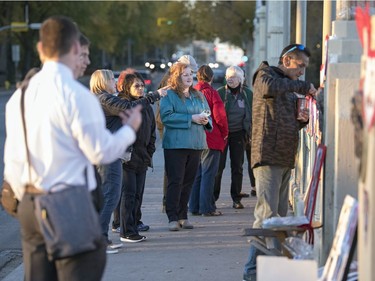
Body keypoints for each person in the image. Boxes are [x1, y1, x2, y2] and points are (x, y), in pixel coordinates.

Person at [3, 16, 142, 281]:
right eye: (84, 54)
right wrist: (128, 130)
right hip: (68, 206)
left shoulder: (20, 96)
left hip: (30, 206)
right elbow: (101, 152)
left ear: (41, 49)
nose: (86, 61)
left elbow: (13, 161)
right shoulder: (78, 96)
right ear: (76, 49)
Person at [242, 43, 318, 281]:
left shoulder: (283, 86)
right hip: (268, 156)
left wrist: (301, 121)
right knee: (267, 215)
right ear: (286, 61)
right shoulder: (266, 75)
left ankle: (272, 270)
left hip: (284, 157)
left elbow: (283, 121)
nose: (302, 72)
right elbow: (268, 87)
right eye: (300, 65)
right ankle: (252, 272)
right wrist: (304, 87)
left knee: (280, 220)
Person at [160, 62, 212, 231]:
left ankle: (183, 215)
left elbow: (207, 114)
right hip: (176, 145)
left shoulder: (198, 95)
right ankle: (172, 217)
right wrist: (191, 118)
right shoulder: (168, 95)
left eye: (191, 74)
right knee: (176, 181)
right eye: (186, 75)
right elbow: (167, 117)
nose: (190, 77)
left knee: (188, 182)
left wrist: (205, 120)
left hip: (196, 144)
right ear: (176, 77)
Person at [115, 73, 156, 242]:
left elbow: (152, 130)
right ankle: (126, 230)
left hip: (143, 156)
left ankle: (134, 225)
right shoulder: (124, 104)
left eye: (141, 85)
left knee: (138, 194)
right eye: (136, 86)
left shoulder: (145, 105)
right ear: (127, 88)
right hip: (127, 158)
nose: (140, 88)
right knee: (128, 195)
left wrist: (150, 150)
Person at [155, 54, 199, 212]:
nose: (191, 75)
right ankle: (168, 202)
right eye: (188, 72)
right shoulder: (169, 80)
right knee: (173, 170)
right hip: (167, 123)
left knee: (182, 172)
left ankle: (177, 204)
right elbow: (163, 102)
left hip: (186, 129)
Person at [90, 69, 124, 254]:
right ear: (103, 82)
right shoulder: (104, 99)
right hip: (107, 153)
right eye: (112, 78)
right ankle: (100, 240)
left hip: (105, 152)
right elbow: (127, 107)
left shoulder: (101, 98)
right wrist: (154, 96)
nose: (115, 81)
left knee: (108, 195)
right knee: (111, 195)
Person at [189, 65, 228, 216]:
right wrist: (224, 133)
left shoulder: (191, 93)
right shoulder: (212, 93)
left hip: (194, 138)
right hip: (211, 138)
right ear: (211, 78)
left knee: (197, 173)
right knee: (209, 174)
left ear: (197, 77)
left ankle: (194, 206)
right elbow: (220, 116)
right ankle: (207, 208)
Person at [214, 65, 253, 209]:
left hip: (239, 134)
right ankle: (213, 197)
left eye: (234, 77)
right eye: (228, 77)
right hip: (222, 134)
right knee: (219, 166)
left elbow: (253, 113)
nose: (230, 80)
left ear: (241, 79)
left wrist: (250, 132)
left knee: (237, 166)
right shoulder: (219, 93)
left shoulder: (248, 94)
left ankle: (236, 198)